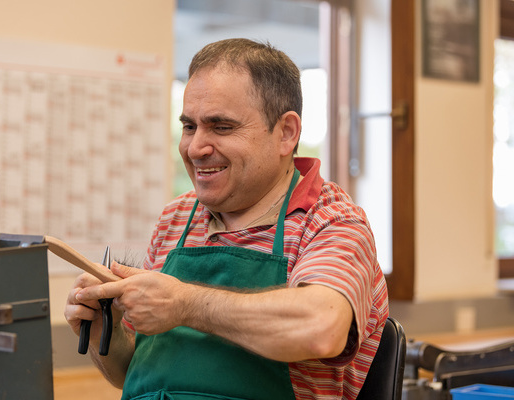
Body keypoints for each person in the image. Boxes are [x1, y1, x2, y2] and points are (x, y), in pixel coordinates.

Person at [65, 38, 388, 400]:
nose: (195, 148)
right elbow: (136, 374)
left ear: (286, 133)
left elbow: (321, 327)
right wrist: (96, 331)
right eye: (189, 127)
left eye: (221, 127)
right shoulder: (177, 217)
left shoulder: (331, 222)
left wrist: (184, 304)